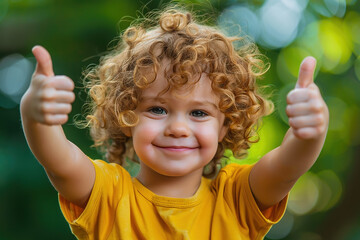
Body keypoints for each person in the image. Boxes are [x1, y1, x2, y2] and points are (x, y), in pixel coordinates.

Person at [20, 7, 329, 240]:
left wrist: (310, 134)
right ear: (127, 115)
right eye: (157, 109)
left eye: (198, 113)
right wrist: (36, 116)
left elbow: (287, 167)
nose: (178, 128)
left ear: (225, 125)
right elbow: (60, 161)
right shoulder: (108, 196)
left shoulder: (237, 199)